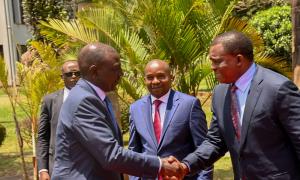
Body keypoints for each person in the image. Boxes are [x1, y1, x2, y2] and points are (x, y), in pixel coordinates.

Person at [176, 31, 300, 180]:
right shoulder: (221, 94)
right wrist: (185, 166)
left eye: (216, 61)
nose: (212, 67)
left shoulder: (278, 88)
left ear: (239, 60)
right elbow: (215, 142)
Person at [51, 43, 184, 180]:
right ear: (94, 71)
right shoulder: (84, 101)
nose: (120, 74)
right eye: (115, 69)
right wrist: (160, 164)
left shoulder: (98, 97)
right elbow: (111, 155)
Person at [128, 60, 213, 180]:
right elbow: (134, 151)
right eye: (150, 77)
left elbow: (203, 150)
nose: (155, 81)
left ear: (171, 77)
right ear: (144, 80)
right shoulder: (135, 108)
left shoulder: (189, 105)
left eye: (161, 76)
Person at [37, 60, 80, 180]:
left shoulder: (93, 99)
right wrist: (43, 169)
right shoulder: (49, 101)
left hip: (85, 167)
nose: (74, 77)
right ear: (62, 77)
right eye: (69, 74)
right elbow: (43, 137)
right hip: (58, 166)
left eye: (77, 73)